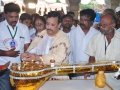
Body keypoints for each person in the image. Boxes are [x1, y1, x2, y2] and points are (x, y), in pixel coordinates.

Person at [0, 3, 30, 90]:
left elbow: (26, 47)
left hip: (19, 67)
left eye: (16, 17)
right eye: (11, 17)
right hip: (3, 67)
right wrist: (6, 53)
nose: (14, 19)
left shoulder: (23, 28)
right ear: (5, 15)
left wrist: (26, 56)